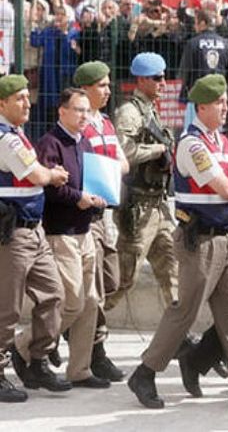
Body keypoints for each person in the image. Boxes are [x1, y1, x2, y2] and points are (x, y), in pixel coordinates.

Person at [127, 74, 228, 410]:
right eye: (219, 103)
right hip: (202, 240)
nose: (225, 108)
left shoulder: (222, 142)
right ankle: (145, 372)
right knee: (185, 312)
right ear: (202, 106)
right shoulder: (192, 145)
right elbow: (226, 188)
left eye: (226, 102)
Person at [17, 88, 110, 389]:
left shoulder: (84, 144)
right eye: (78, 110)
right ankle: (24, 345)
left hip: (86, 231)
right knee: (71, 302)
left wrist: (100, 197)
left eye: (87, 111)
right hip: (61, 233)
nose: (84, 116)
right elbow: (47, 186)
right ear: (62, 111)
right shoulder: (50, 144)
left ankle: (79, 369)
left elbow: (90, 181)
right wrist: (78, 198)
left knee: (92, 302)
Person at [0, 75, 70, 402]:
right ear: (2, 104)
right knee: (7, 309)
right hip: (13, 235)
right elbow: (36, 175)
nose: (28, 103)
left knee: (53, 294)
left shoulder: (18, 135)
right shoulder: (7, 139)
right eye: (19, 98)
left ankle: (37, 360)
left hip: (33, 231)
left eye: (28, 97)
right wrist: (52, 175)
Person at [105, 53, 178, 312]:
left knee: (172, 272)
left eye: (164, 76)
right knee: (125, 278)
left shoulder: (151, 111)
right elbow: (124, 152)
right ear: (142, 79)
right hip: (137, 207)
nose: (164, 83)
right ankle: (88, 322)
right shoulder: (129, 113)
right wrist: (157, 150)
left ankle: (178, 334)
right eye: (157, 78)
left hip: (157, 206)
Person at [73, 61, 129, 382]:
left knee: (111, 278)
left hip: (105, 209)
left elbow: (122, 162)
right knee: (93, 286)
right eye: (102, 86)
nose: (108, 91)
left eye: (108, 85)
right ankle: (96, 351)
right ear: (85, 89)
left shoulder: (105, 123)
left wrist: (106, 167)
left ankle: (67, 332)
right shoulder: (81, 125)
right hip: (85, 212)